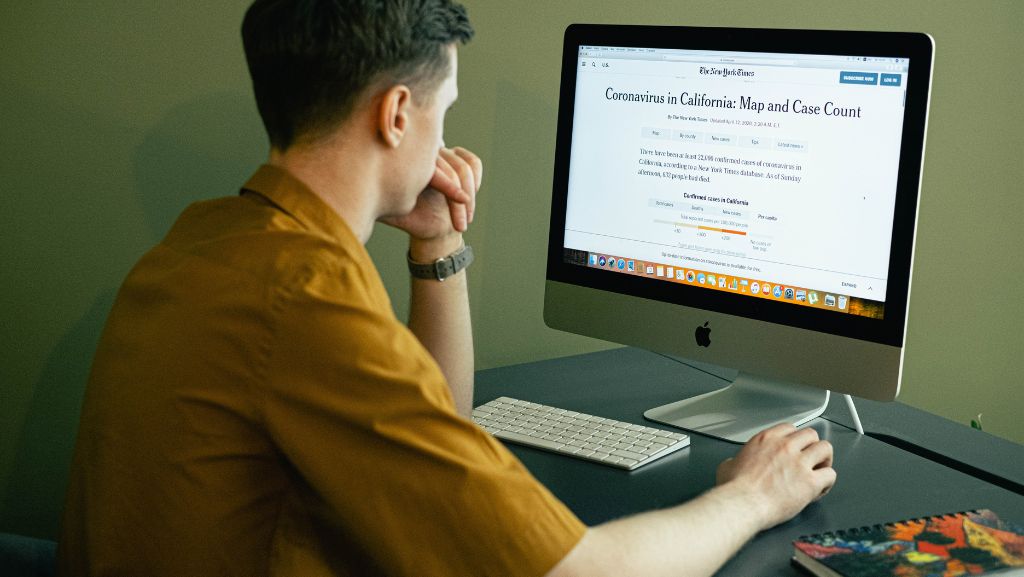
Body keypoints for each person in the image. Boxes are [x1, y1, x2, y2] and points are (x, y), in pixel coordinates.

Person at [56, 1, 836, 575]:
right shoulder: (305, 294)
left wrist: (437, 241)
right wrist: (753, 496)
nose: (445, 136)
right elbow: (578, 572)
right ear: (397, 113)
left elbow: (438, 423)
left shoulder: (215, 237)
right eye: (445, 109)